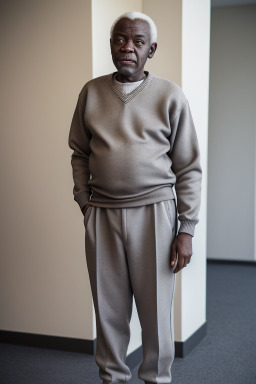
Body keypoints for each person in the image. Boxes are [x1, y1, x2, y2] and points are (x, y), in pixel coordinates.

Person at [69, 11, 201, 384]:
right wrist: (84, 199)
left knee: (156, 311)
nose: (127, 47)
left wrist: (186, 228)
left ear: (151, 49)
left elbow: (188, 167)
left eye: (137, 42)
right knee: (108, 312)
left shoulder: (171, 95)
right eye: (120, 40)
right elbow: (79, 152)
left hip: (155, 213)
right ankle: (112, 377)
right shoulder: (91, 92)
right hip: (103, 214)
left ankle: (156, 379)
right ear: (112, 44)